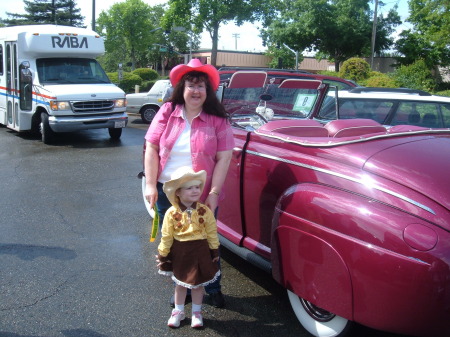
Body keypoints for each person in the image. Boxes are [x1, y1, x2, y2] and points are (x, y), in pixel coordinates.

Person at [144, 58, 234, 308]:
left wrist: (213, 193)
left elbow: (224, 158)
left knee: (206, 240)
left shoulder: (218, 119)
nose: (196, 91)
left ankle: (213, 288)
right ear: (181, 89)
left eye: (201, 86)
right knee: (176, 242)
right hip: (169, 193)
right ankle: (181, 291)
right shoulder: (167, 112)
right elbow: (151, 147)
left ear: (208, 91)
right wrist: (151, 184)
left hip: (200, 193)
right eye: (191, 86)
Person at [157, 167, 220, 328]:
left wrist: (214, 250)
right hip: (181, 252)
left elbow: (212, 231)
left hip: (200, 251)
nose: (195, 191)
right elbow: (167, 235)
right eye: (189, 188)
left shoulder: (204, 211)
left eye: (197, 187)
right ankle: (178, 311)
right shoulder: (172, 213)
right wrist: (163, 254)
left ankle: (196, 313)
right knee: (180, 284)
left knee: (198, 284)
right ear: (177, 192)